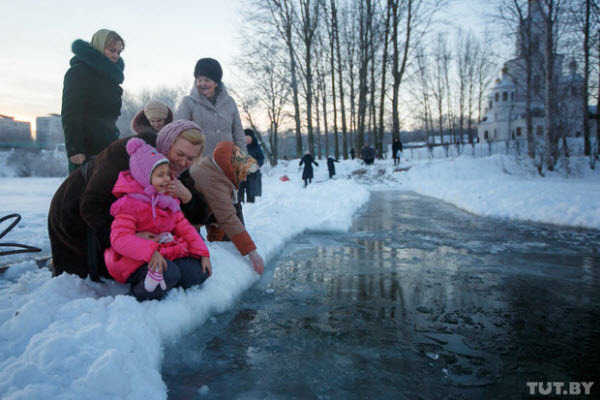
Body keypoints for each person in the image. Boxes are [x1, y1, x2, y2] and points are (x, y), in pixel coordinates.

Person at [48, 120, 210, 281]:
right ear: (167, 145)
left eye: (190, 158)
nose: (183, 162)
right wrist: (131, 238)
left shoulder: (177, 168)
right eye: (180, 154)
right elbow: (91, 205)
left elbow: (200, 216)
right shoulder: (126, 154)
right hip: (76, 212)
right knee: (84, 277)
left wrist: (187, 196)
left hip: (125, 225)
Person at [105, 138, 211, 301]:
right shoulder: (129, 204)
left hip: (165, 253)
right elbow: (120, 239)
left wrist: (203, 253)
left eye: (168, 174)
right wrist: (149, 251)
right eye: (160, 175)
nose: (167, 179)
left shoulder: (167, 200)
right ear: (145, 177)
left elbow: (186, 228)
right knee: (169, 273)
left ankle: (164, 282)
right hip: (136, 260)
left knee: (200, 271)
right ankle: (137, 293)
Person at [189, 141, 265, 275]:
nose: (245, 179)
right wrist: (252, 252)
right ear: (234, 167)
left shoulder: (213, 166)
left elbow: (218, 210)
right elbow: (227, 217)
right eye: (244, 173)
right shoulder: (213, 181)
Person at [61, 29, 125, 173]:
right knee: (81, 193)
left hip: (107, 147)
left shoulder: (111, 79)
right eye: (112, 50)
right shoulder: (78, 73)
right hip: (85, 151)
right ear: (99, 47)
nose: (116, 55)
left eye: (119, 52)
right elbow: (70, 113)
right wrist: (75, 149)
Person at [175, 57, 246, 157]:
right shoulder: (188, 102)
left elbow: (239, 135)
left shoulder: (229, 102)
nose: (202, 84)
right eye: (199, 80)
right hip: (198, 163)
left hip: (226, 162)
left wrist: (243, 162)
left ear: (216, 83)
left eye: (207, 80)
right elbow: (177, 133)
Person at [238, 129, 265, 203]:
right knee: (238, 191)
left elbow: (261, 158)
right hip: (240, 173)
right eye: (245, 138)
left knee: (251, 191)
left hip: (252, 173)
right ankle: (239, 203)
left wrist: (257, 166)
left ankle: (251, 204)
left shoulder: (256, 147)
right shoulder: (239, 146)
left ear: (252, 138)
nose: (246, 140)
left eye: (248, 139)